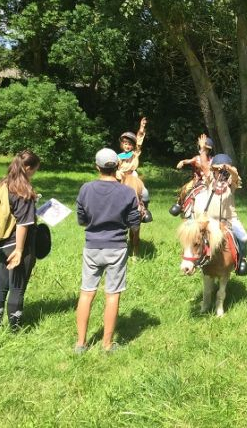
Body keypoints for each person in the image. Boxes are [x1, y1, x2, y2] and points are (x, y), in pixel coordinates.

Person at [74, 148, 141, 354]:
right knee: (112, 295)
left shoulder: (86, 189)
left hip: (92, 246)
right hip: (117, 248)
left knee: (86, 293)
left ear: (97, 167)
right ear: (118, 166)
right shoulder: (128, 192)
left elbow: (81, 219)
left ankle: (81, 343)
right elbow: (134, 225)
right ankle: (107, 345)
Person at [0, 150, 41, 331]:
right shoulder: (23, 191)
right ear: (27, 168)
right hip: (17, 244)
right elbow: (23, 224)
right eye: (35, 169)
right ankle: (15, 330)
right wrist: (19, 250)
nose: (34, 173)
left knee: (0, 285)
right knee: (17, 287)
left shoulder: (1, 185)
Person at [194, 154, 247, 275]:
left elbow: (235, 174)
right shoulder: (210, 180)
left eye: (222, 171)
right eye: (217, 171)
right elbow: (204, 166)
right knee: (194, 235)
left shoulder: (231, 182)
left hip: (229, 219)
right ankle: (194, 258)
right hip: (210, 219)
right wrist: (204, 152)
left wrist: (227, 168)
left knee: (244, 238)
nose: (220, 173)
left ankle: (242, 259)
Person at [116, 117, 152, 222]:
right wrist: (118, 173)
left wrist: (141, 127)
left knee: (145, 192)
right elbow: (115, 167)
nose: (127, 146)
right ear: (122, 144)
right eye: (125, 144)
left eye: (130, 144)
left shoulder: (135, 153)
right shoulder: (118, 156)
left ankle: (144, 211)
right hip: (120, 175)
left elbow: (139, 140)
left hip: (133, 175)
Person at [170, 134, 214, 216]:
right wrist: (182, 162)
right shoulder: (197, 158)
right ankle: (179, 204)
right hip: (197, 181)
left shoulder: (213, 160)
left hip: (209, 181)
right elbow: (188, 161)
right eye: (204, 149)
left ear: (209, 151)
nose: (205, 150)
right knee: (185, 189)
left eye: (207, 149)